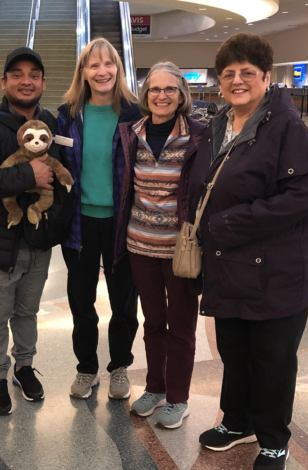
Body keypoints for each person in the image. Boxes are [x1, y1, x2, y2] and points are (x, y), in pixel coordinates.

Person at [187, 33, 308, 470]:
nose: (237, 80)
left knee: (272, 359)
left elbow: (299, 197)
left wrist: (226, 224)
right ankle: (237, 420)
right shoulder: (218, 124)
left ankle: (273, 439)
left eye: (248, 72)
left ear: (267, 77)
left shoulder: (287, 129)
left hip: (278, 271)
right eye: (228, 74)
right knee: (235, 351)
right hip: (229, 265)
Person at [0, 47, 72, 415]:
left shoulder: (51, 125)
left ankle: (24, 367)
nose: (27, 80)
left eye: (34, 74)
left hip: (37, 243)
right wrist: (28, 175)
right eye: (18, 74)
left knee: (27, 311)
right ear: (4, 82)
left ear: (43, 82)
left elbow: (59, 173)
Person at [112, 61, 206, 429]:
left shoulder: (198, 134)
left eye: (169, 89)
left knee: (181, 324)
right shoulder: (131, 132)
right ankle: (155, 387)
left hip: (180, 249)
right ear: (145, 94)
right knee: (153, 321)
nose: (161, 95)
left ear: (181, 94)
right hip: (139, 244)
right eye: (154, 89)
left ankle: (178, 397)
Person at [56, 37, 142, 401]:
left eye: (109, 63)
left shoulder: (135, 113)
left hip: (124, 223)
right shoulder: (68, 114)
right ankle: (86, 367)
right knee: (80, 299)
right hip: (79, 224)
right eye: (94, 65)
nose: (102, 70)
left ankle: (119, 365)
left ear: (118, 69)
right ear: (84, 72)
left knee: (124, 300)